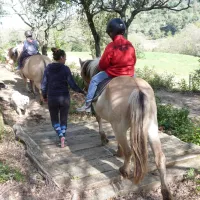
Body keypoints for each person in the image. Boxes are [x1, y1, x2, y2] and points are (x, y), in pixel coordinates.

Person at [77, 18, 137, 113]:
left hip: (114, 74)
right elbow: (134, 61)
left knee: (94, 80)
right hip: (130, 74)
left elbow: (102, 65)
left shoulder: (111, 46)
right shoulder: (130, 45)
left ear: (111, 33)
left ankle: (87, 105)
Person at [41, 48, 85, 148]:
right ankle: (63, 137)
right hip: (64, 98)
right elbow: (72, 84)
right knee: (63, 119)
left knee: (54, 120)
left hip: (52, 98)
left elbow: (43, 85)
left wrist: (44, 96)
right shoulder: (65, 69)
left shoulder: (48, 68)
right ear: (61, 57)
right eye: (65, 58)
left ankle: (60, 135)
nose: (65, 60)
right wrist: (81, 91)